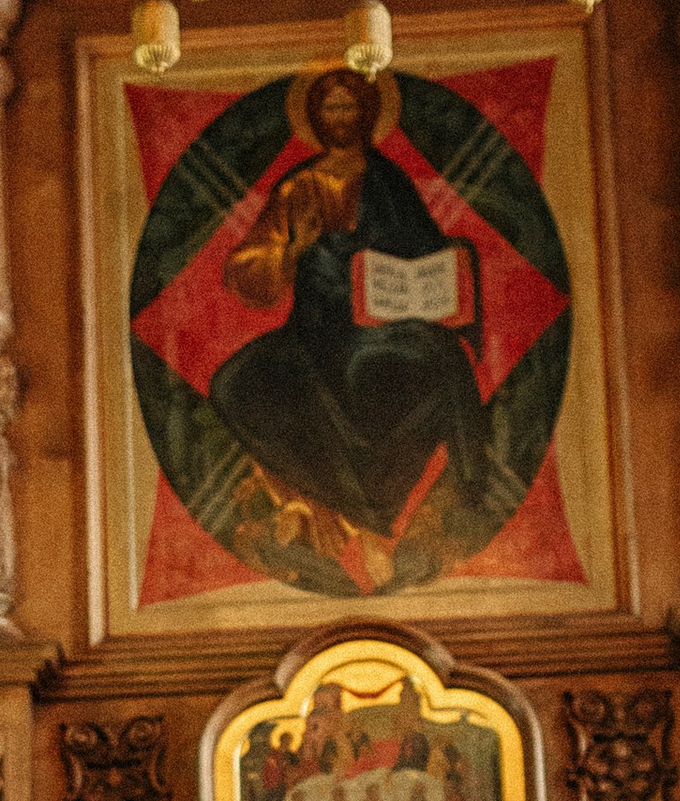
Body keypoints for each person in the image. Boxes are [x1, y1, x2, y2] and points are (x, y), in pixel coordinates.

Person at [210, 67, 490, 574]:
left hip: (385, 325)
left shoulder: (391, 182)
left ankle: (422, 504)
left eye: (348, 106)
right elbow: (246, 268)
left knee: (429, 364)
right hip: (312, 332)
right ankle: (345, 513)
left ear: (367, 113)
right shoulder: (299, 187)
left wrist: (442, 270)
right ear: (316, 118)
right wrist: (294, 249)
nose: (340, 117)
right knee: (232, 383)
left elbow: (429, 252)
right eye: (331, 108)